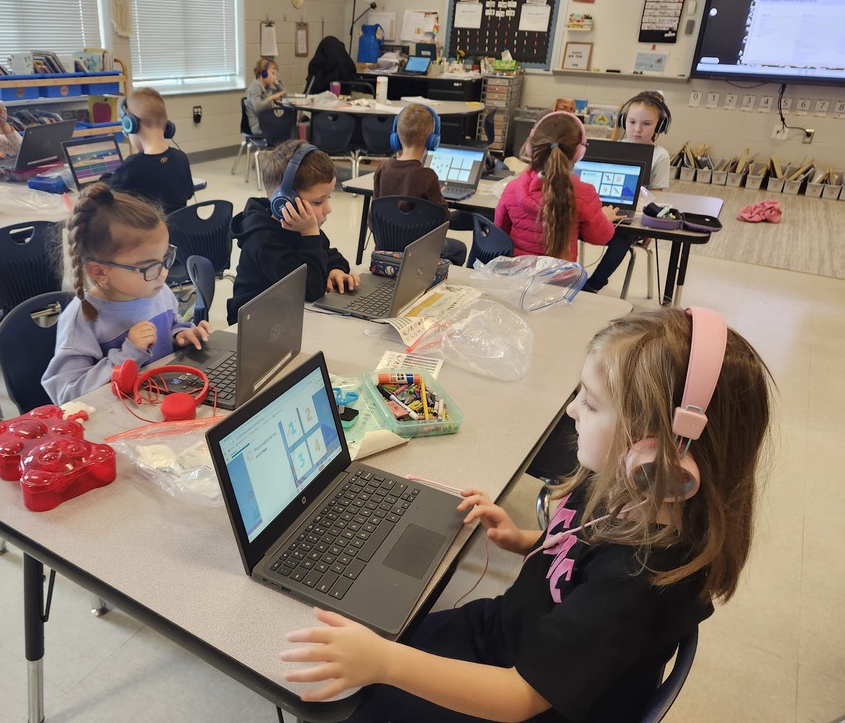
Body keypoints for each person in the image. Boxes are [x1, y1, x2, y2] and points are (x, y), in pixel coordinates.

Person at [282, 306, 774, 723]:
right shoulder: (625, 486)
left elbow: (519, 699)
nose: (573, 411)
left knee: (359, 698)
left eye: (592, 403)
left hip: (527, 697)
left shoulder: (639, 581)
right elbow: (577, 552)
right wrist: (522, 538)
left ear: (660, 450)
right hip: (509, 631)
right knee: (381, 635)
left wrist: (386, 665)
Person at [41, 183, 211, 404]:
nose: (164, 273)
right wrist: (128, 354)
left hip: (159, 401)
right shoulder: (81, 319)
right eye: (149, 266)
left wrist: (180, 335)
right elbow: (67, 394)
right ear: (100, 271)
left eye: (165, 258)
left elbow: (171, 324)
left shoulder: (157, 291)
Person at [227, 140, 359, 324]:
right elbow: (311, 289)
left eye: (328, 198)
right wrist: (310, 233)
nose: (328, 208)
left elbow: (330, 255)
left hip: (289, 318)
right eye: (318, 202)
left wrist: (336, 271)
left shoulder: (298, 226)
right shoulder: (263, 242)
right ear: (283, 203)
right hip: (255, 328)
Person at [495, 110, 620, 261]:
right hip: (559, 280)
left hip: (518, 276)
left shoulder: (512, 188)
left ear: (530, 146)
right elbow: (600, 237)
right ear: (578, 153)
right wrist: (605, 219)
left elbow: (499, 231)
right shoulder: (583, 193)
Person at [584, 91, 673, 293]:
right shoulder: (615, 148)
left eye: (646, 124)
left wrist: (650, 229)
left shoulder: (661, 156)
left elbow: (656, 198)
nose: (637, 129)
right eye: (631, 122)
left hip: (632, 218)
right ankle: (564, 275)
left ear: (660, 126)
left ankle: (593, 285)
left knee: (622, 237)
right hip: (601, 209)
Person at [372, 104, 467, 266]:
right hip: (418, 251)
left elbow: (373, 217)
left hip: (384, 249)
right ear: (432, 140)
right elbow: (442, 220)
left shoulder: (382, 168)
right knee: (459, 248)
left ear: (395, 136)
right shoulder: (428, 176)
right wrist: (439, 196)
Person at [108, 88, 195, 214]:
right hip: (179, 232)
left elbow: (107, 194)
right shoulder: (181, 158)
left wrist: (105, 178)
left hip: (148, 233)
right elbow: (188, 194)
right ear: (168, 127)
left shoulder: (132, 165)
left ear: (130, 125)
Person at [245, 57, 286, 137]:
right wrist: (272, 97)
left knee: (288, 124)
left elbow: (284, 96)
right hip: (258, 127)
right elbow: (258, 107)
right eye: (273, 73)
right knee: (286, 128)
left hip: (266, 123)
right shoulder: (255, 86)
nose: (275, 77)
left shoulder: (268, 87)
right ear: (264, 73)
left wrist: (277, 83)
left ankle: (284, 148)